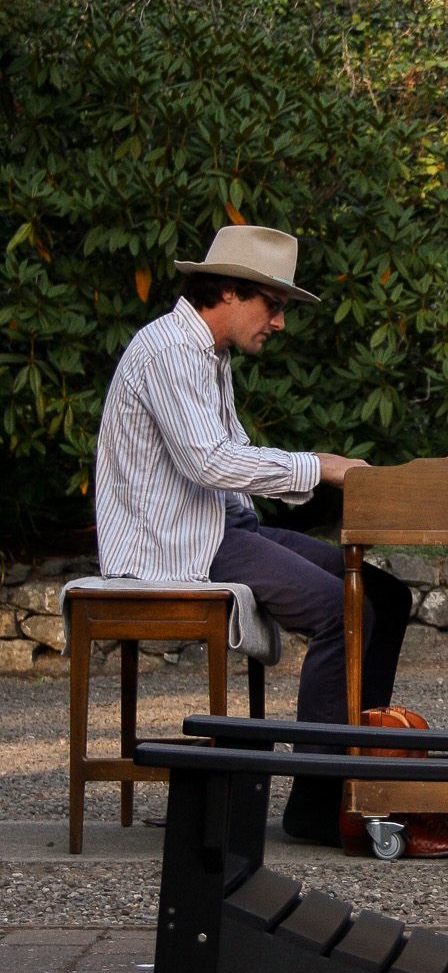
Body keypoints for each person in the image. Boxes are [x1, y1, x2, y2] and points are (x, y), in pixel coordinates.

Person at [95, 223, 411, 845]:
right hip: (175, 542)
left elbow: (229, 456)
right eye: (274, 305)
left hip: (220, 524)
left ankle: (358, 778)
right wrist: (318, 466)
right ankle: (319, 803)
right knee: (337, 608)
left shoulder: (207, 355)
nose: (280, 322)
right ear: (231, 292)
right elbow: (208, 462)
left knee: (387, 598)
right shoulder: (167, 352)